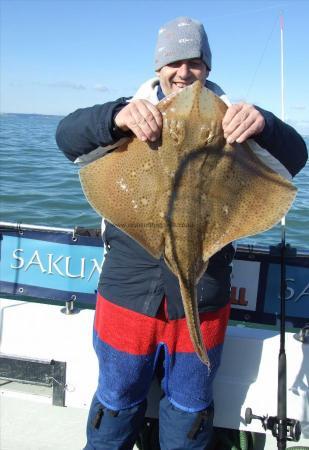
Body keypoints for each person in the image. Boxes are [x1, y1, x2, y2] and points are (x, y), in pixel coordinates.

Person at [56, 17, 307, 450]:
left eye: (194, 62)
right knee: (115, 403)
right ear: (158, 67)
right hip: (128, 295)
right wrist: (115, 117)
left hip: (204, 295)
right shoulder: (131, 114)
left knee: (190, 410)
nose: (183, 73)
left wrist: (263, 122)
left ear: (207, 68)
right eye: (173, 62)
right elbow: (67, 137)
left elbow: (297, 156)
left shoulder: (233, 120)